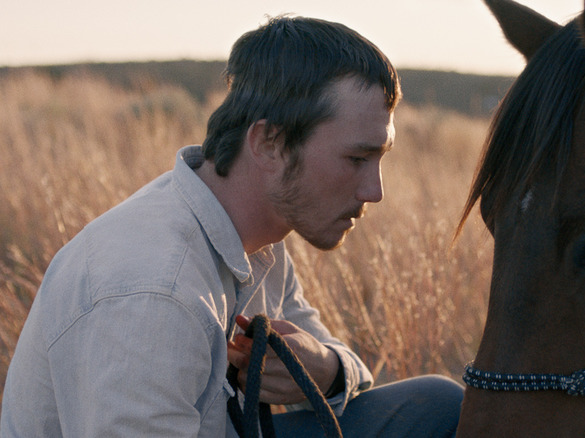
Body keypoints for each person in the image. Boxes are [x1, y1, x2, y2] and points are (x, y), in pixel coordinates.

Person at [1, 15, 463, 438]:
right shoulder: (153, 293)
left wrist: (325, 369)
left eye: (379, 160)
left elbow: (346, 375)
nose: (374, 191)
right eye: (357, 159)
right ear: (270, 144)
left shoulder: (258, 237)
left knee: (439, 406)